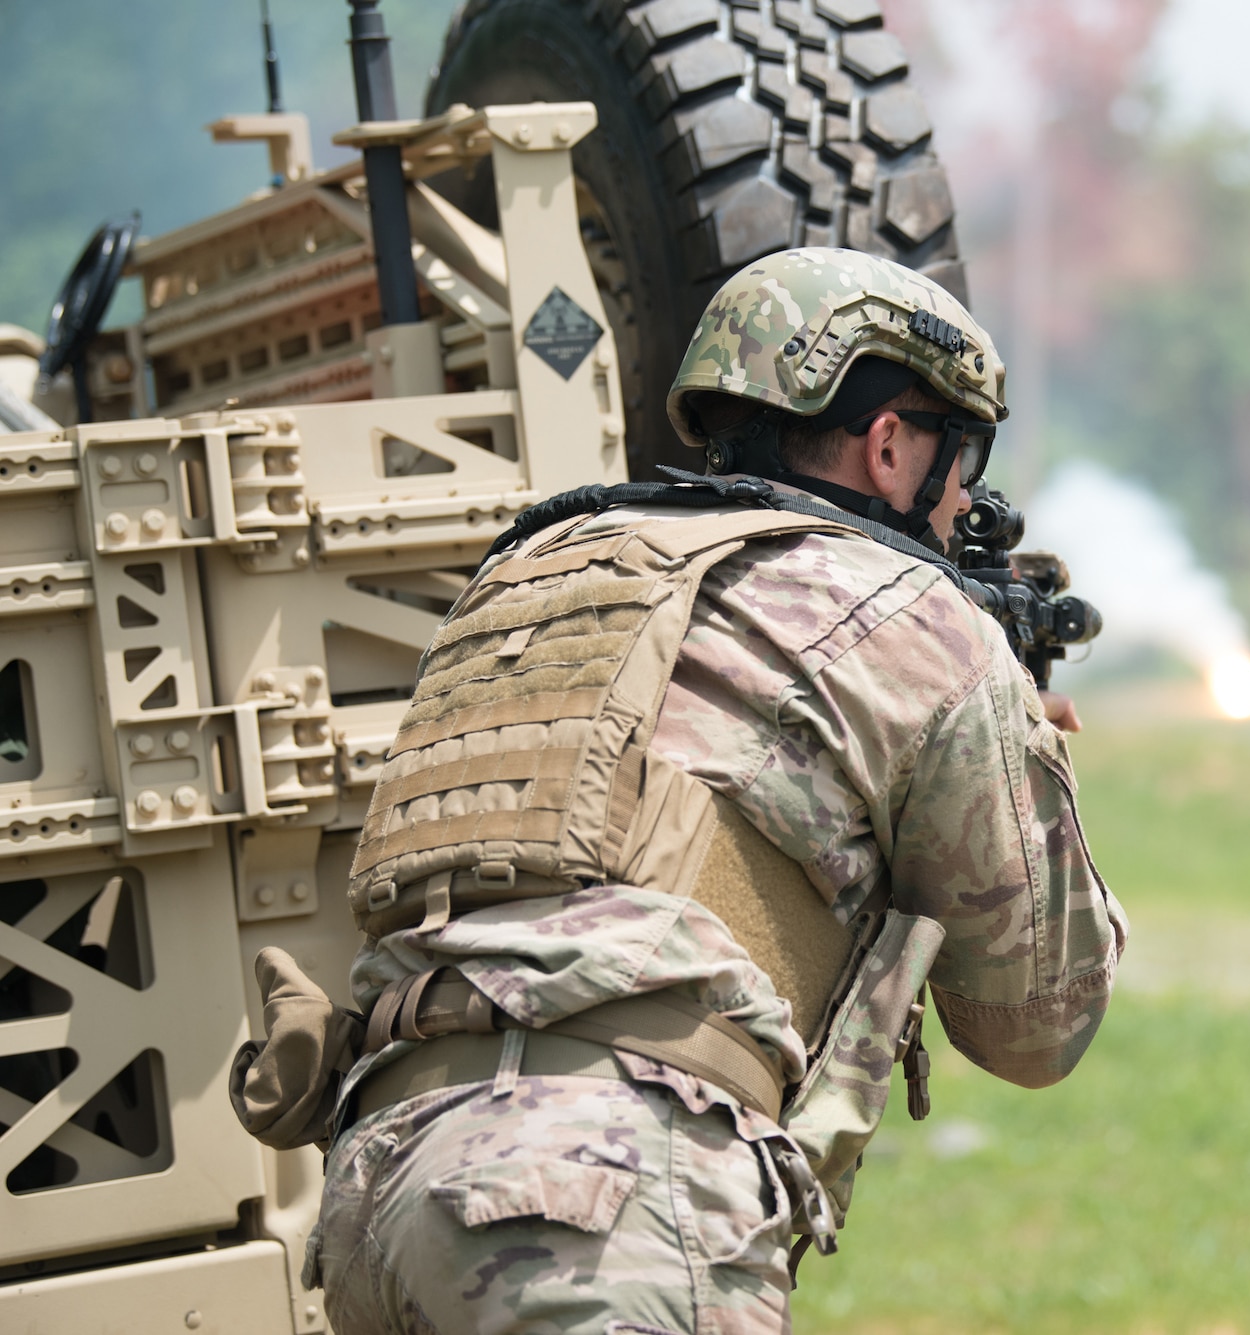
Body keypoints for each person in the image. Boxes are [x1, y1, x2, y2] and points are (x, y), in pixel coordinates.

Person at [298, 248, 1128, 1334]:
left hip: (378, 1187)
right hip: (597, 1205)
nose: (964, 502)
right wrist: (1026, 742)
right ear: (889, 448)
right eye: (957, 464)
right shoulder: (915, 613)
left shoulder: (532, 573)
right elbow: (1035, 1027)